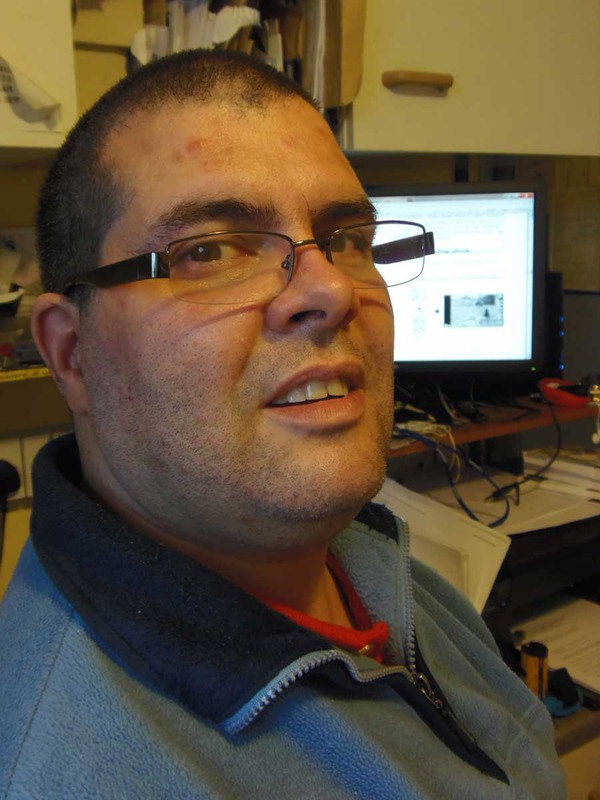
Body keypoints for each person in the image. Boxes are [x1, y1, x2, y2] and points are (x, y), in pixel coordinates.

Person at [0, 49, 564, 799]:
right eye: (208, 251)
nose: (331, 288)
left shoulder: (359, 557)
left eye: (346, 239)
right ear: (72, 355)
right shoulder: (68, 773)